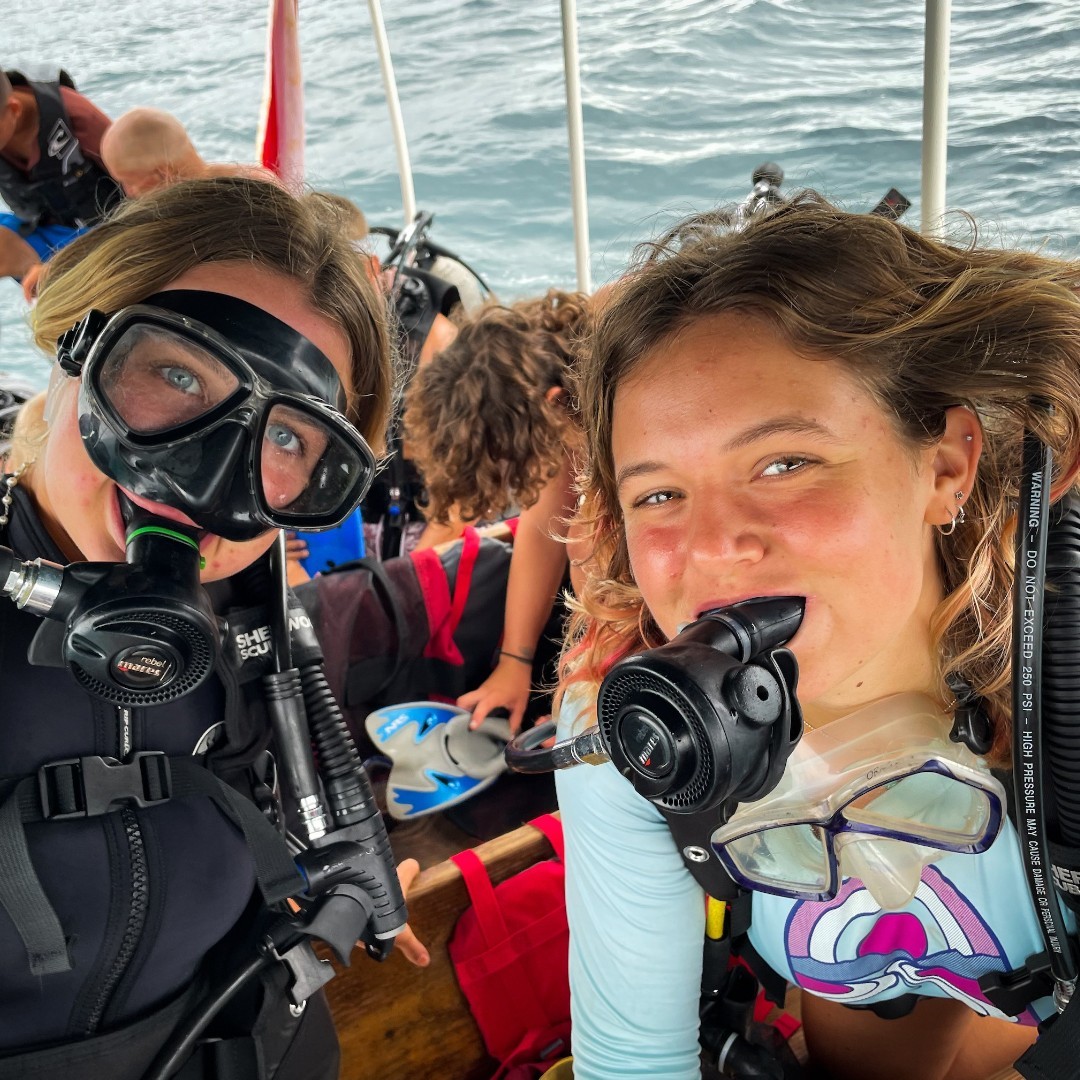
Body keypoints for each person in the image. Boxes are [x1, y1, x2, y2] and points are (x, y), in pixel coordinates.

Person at [553, 192, 1080, 1080]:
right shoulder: (634, 750)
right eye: (659, 495)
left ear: (945, 466)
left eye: (784, 462)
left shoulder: (1061, 677)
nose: (716, 547)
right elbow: (632, 1063)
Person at [0, 175, 427, 1080]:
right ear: (75, 344)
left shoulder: (257, 626)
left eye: (286, 441)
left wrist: (338, 897)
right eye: (176, 372)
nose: (202, 479)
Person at [405, 290, 590, 732]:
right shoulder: (565, 398)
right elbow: (546, 522)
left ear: (551, 403)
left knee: (587, 541)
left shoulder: (625, 390)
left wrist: (594, 694)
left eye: (508, 466)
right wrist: (515, 661)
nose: (515, 488)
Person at [0, 67, 121, 299]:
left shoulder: (77, 116)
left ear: (13, 109)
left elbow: (146, 193)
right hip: (46, 234)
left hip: (111, 237)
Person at [100, 106, 278, 197]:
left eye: (129, 181)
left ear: (164, 174)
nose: (128, 192)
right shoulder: (259, 179)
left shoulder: (180, 219)